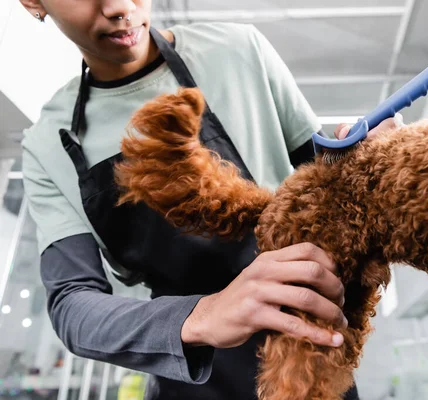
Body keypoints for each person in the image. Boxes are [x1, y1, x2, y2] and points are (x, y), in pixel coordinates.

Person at [17, 0, 401, 398]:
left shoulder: (238, 50)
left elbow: (324, 191)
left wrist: (366, 166)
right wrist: (204, 314)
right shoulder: (49, 143)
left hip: (308, 358)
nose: (118, 6)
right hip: (188, 380)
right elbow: (73, 306)